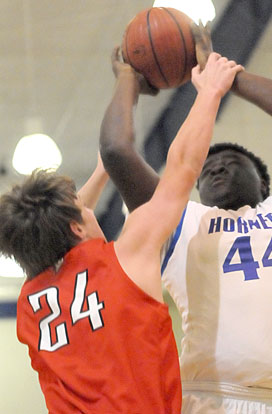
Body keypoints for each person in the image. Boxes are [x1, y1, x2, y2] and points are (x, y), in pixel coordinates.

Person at [99, 44, 272, 413]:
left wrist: (224, 75)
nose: (214, 169)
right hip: (212, 399)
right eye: (206, 170)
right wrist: (127, 80)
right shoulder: (181, 223)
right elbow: (117, 151)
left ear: (263, 182)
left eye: (229, 162)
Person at [0, 53, 243, 413]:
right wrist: (210, 92)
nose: (88, 203)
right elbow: (183, 166)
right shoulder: (125, 258)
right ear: (76, 226)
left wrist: (102, 172)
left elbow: (53, 233)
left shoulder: (28, 306)